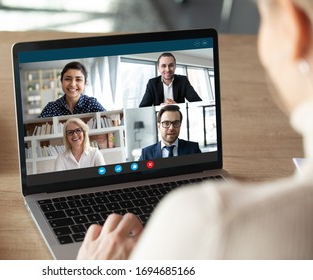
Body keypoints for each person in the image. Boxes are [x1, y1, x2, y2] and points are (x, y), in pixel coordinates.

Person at [77, 0, 313, 259]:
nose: (170, 128)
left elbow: (198, 100)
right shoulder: (150, 102)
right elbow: (144, 105)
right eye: (165, 123)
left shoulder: (209, 218)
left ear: (292, 28)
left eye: (174, 123)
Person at [39, 61, 106, 117]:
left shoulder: (91, 104)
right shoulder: (51, 108)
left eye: (78, 79)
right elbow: (34, 130)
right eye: (68, 79)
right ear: (61, 81)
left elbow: (110, 124)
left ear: (85, 83)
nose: (72, 84)